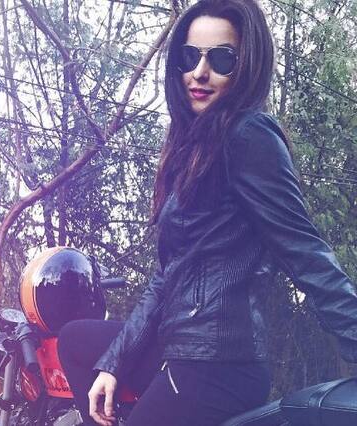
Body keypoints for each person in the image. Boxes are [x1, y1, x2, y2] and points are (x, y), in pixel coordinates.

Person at [58, 1, 357, 425]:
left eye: (221, 59)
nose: (200, 72)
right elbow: (167, 276)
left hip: (217, 365)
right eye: (189, 56)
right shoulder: (195, 148)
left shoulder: (248, 136)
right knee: (75, 341)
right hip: (182, 347)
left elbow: (305, 252)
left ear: (246, 67)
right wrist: (113, 364)